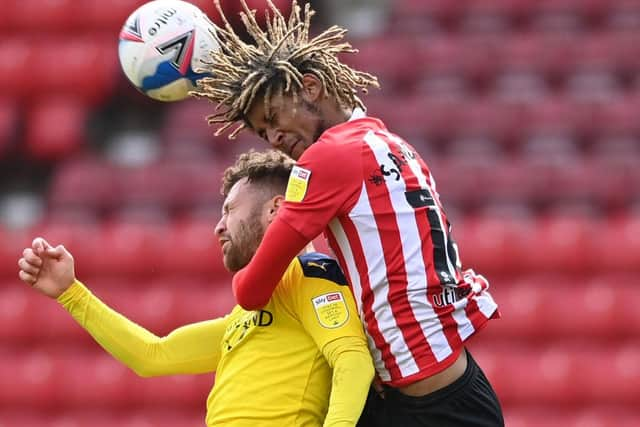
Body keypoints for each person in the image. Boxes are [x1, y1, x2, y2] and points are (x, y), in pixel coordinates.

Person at [194, 1, 504, 426]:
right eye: (262, 132)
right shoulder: (393, 144)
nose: (274, 137)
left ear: (311, 86)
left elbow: (250, 290)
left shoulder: (326, 160)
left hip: (429, 407)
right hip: (448, 384)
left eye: (273, 117)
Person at [17, 150, 374, 427]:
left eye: (230, 209)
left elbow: (353, 361)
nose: (219, 227)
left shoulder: (310, 274)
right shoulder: (248, 313)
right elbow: (153, 355)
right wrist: (71, 292)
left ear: (275, 209)